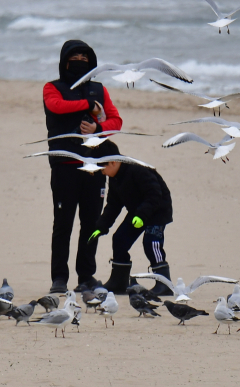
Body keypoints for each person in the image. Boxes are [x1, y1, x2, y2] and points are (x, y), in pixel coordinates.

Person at [43, 40, 123, 294]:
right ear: (64, 61)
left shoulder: (99, 90)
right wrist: (87, 106)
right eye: (75, 56)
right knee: (63, 224)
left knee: (91, 224)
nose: (80, 60)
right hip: (64, 166)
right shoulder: (52, 88)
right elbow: (56, 106)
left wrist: (98, 128)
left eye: (84, 57)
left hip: (94, 166)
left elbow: (116, 121)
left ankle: (86, 276)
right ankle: (59, 279)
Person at [88, 141, 174, 295]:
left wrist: (141, 215)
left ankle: (164, 283)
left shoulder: (138, 170)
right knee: (120, 239)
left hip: (158, 210)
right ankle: (119, 281)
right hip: (138, 211)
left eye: (102, 168)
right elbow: (113, 205)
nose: (102, 173)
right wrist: (100, 227)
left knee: (151, 242)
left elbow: (155, 194)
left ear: (113, 162)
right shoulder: (115, 178)